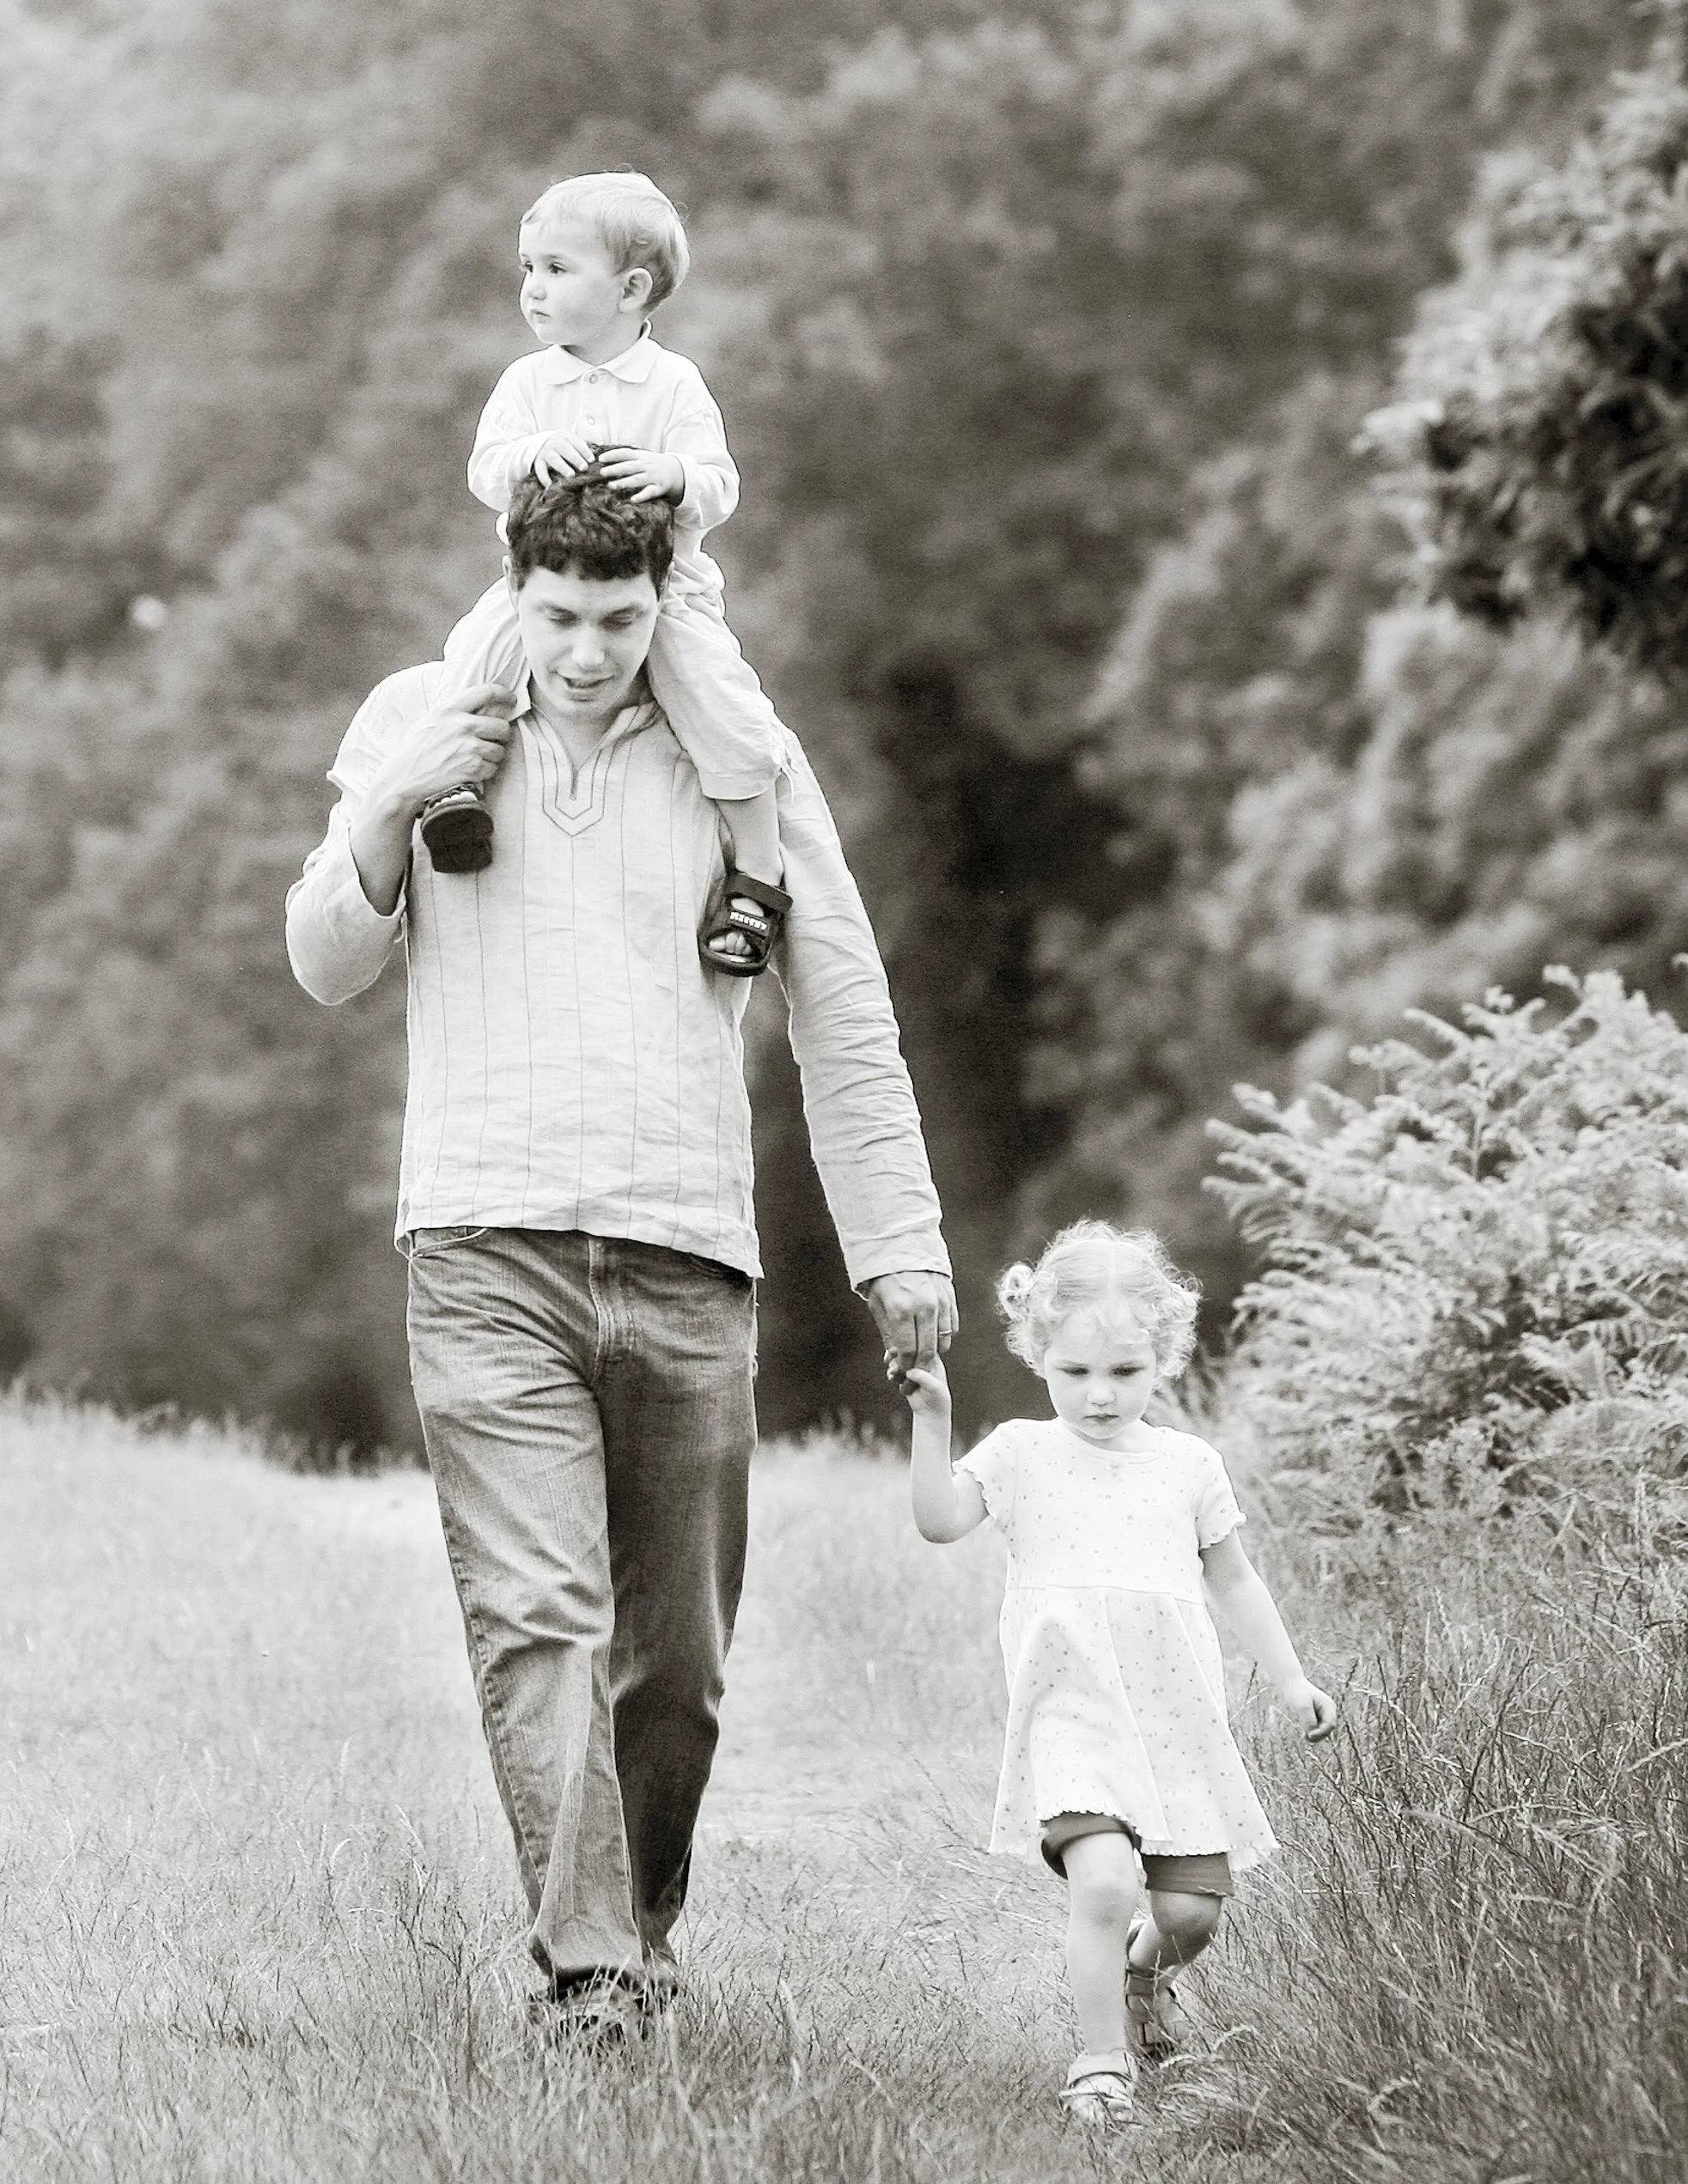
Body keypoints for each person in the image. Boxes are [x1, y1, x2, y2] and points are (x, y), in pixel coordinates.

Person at [284, 473, 955, 2036]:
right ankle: (591, 1978)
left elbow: (842, 1006)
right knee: (540, 1615)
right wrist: (396, 794)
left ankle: (638, 1927)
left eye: (622, 617)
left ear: (672, 599)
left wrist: (901, 1243)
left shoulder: (739, 762)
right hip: (480, 1236)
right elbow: (325, 960)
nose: (587, 652)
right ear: (513, 585)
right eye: (561, 615)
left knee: (677, 1665)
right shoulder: (422, 720)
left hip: (684, 1246)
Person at [902, 1220, 1336, 2126]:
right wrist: (932, 1417)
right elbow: (941, 1520)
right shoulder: (1021, 1453)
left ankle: (1143, 1981)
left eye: (1125, 1373)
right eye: (1076, 1372)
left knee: (1188, 1911)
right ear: (1038, 1355)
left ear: (1166, 1359)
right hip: (1073, 1711)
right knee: (1103, 1881)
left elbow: (1235, 1577)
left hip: (1178, 1714)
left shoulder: (1188, 1465)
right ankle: (1101, 2062)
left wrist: (1290, 1677)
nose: (1100, 1396)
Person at [420, 169, 789, 979]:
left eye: (556, 269)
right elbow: (484, 469)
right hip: (542, 581)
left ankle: (758, 869)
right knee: (473, 654)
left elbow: (719, 487)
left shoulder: (672, 384)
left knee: (724, 703)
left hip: (663, 591)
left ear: (630, 289)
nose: (533, 289)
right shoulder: (527, 382)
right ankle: (454, 792)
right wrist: (527, 456)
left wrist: (672, 475)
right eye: (527, 269)